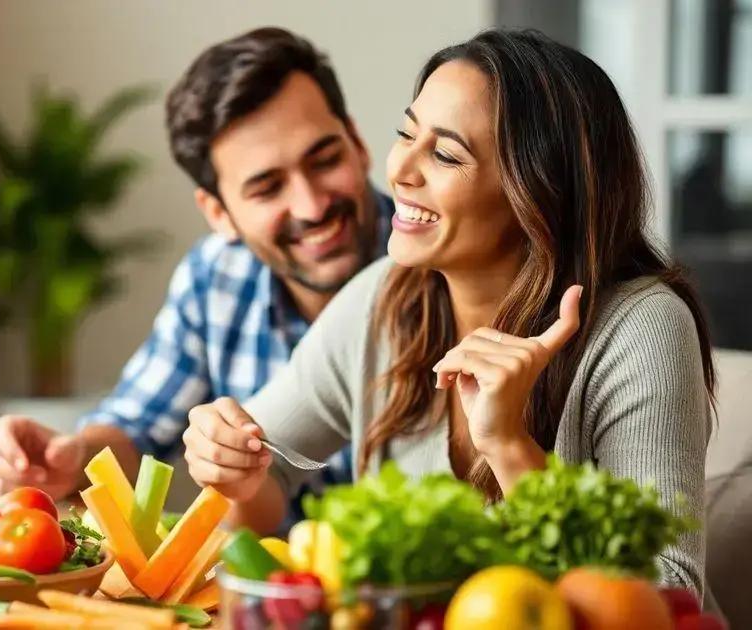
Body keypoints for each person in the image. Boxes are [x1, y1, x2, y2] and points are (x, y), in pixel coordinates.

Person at [182, 28, 714, 595]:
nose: (400, 172)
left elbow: (667, 595)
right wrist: (231, 466)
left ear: (536, 192)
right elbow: (267, 481)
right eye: (405, 135)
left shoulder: (642, 330)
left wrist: (509, 446)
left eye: (444, 154)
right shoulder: (383, 299)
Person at [0, 27, 394, 518]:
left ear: (358, 143)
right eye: (266, 188)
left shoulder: (445, 265)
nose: (311, 204)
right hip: (265, 584)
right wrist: (64, 460)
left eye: (325, 160)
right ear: (217, 212)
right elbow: (137, 425)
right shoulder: (216, 277)